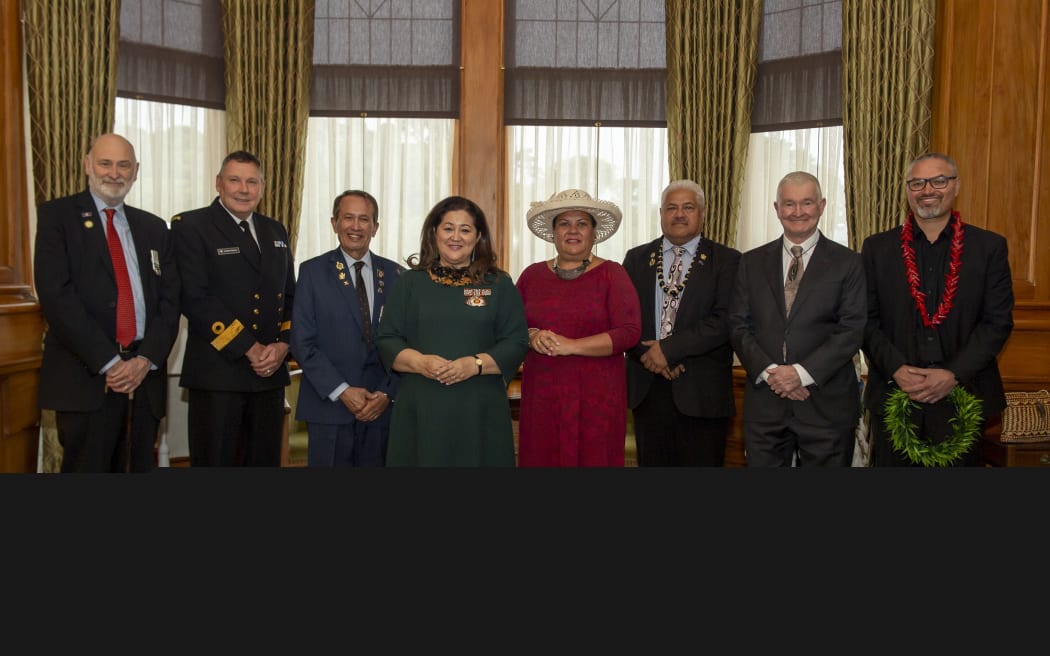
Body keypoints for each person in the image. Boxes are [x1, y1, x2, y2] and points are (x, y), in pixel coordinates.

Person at [34, 133, 180, 472]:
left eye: (123, 165)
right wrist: (110, 362)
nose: (114, 173)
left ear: (136, 171)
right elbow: (57, 298)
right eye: (105, 163)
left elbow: (171, 302)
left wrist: (144, 360)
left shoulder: (154, 227)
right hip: (87, 378)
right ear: (87, 165)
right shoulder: (58, 217)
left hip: (144, 381)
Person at [861, 153, 1014, 467]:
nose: (927, 189)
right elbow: (864, 320)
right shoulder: (877, 248)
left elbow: (997, 322)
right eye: (917, 183)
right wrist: (897, 369)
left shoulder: (989, 247)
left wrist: (953, 374)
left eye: (938, 181)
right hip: (894, 395)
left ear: (955, 187)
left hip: (964, 395)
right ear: (907, 190)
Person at [375, 196, 528, 466]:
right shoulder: (409, 282)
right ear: (434, 232)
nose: (455, 236)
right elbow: (387, 340)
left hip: (479, 407)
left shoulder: (498, 284)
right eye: (448, 228)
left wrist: (475, 364)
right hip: (421, 406)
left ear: (478, 236)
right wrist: (421, 362)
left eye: (465, 229)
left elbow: (516, 342)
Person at [729, 171, 866, 467]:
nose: (798, 212)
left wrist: (801, 374)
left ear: (822, 205)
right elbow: (738, 325)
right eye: (789, 204)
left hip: (826, 406)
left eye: (807, 203)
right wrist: (772, 373)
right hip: (766, 403)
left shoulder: (850, 262)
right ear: (777, 209)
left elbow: (852, 329)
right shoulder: (750, 262)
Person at [170, 151, 296, 467]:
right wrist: (250, 348)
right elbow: (194, 298)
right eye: (235, 180)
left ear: (262, 187)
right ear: (218, 184)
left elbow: (290, 295)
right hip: (218, 375)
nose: (243, 189)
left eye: (252, 182)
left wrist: (283, 345)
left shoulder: (275, 230)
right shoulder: (191, 226)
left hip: (269, 374)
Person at [515, 189, 641, 466]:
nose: (573, 230)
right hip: (542, 396)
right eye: (564, 223)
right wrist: (531, 335)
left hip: (597, 399)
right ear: (553, 232)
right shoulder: (531, 276)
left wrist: (571, 346)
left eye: (582, 223)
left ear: (594, 233)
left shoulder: (613, 274)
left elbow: (629, 332)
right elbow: (511, 328)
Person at [623, 180, 740, 466]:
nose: (679, 214)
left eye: (688, 207)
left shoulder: (728, 261)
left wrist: (670, 350)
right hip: (648, 388)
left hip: (702, 393)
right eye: (672, 208)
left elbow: (726, 319)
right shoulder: (636, 259)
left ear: (703, 213)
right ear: (661, 213)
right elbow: (624, 319)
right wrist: (649, 355)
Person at [290, 190, 402, 466]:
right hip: (330, 407)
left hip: (381, 408)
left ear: (375, 228)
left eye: (364, 219)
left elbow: (407, 341)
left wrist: (387, 393)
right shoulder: (311, 272)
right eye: (348, 218)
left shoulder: (397, 276)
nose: (355, 226)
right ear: (334, 223)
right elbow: (303, 342)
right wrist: (343, 391)